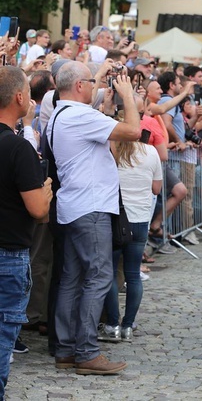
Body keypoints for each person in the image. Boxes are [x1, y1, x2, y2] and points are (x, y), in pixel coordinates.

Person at [48, 62, 140, 375]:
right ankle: (86, 352)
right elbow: (134, 131)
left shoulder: (60, 112)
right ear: (78, 87)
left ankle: (66, 349)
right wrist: (128, 96)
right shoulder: (79, 115)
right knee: (99, 276)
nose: (95, 86)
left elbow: (91, 95)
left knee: (72, 279)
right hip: (91, 207)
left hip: (74, 206)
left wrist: (98, 75)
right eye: (91, 81)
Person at [0, 66, 53, 398]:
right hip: (8, 255)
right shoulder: (18, 147)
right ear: (19, 97)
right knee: (3, 336)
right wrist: (45, 189)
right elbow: (38, 209)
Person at [100, 139, 162, 343]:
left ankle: (112, 324)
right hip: (140, 219)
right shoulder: (151, 151)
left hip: (117, 219)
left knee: (109, 273)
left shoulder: (111, 151)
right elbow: (156, 188)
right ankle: (128, 325)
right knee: (133, 275)